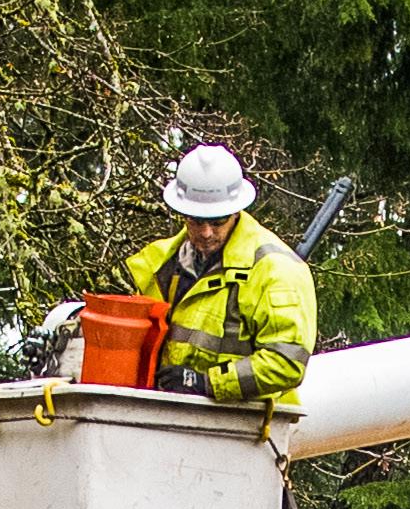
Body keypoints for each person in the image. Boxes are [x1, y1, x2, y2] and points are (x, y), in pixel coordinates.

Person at [125, 143, 317, 407]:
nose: (206, 233)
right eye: (196, 221)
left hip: (245, 424)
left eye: (217, 222)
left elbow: (286, 363)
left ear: (236, 212)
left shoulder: (274, 270)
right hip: (174, 416)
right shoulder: (162, 266)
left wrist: (206, 383)